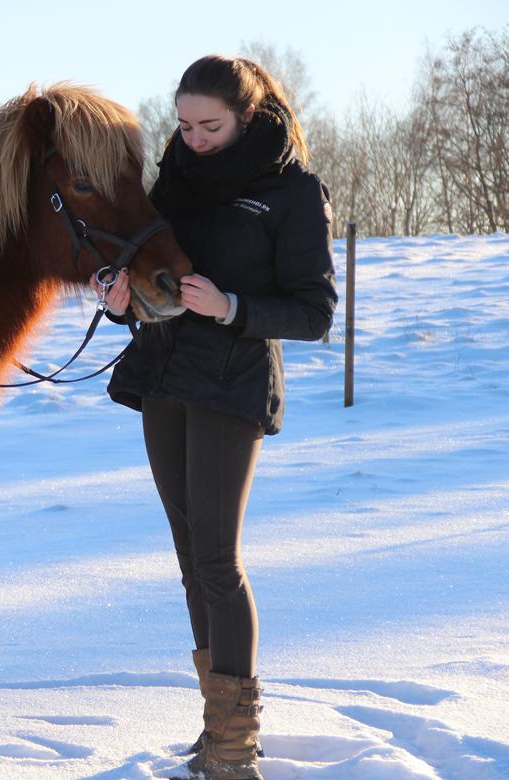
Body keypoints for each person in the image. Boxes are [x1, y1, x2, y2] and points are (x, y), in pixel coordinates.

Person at [95, 54, 337, 780]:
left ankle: (235, 746)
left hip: (232, 383)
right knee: (187, 560)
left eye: (210, 125)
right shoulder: (171, 182)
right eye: (184, 125)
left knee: (217, 562)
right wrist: (122, 299)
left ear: (246, 116)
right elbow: (151, 277)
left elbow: (316, 312)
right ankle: (215, 730)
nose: (194, 138)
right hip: (166, 375)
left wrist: (231, 308)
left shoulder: (291, 191)